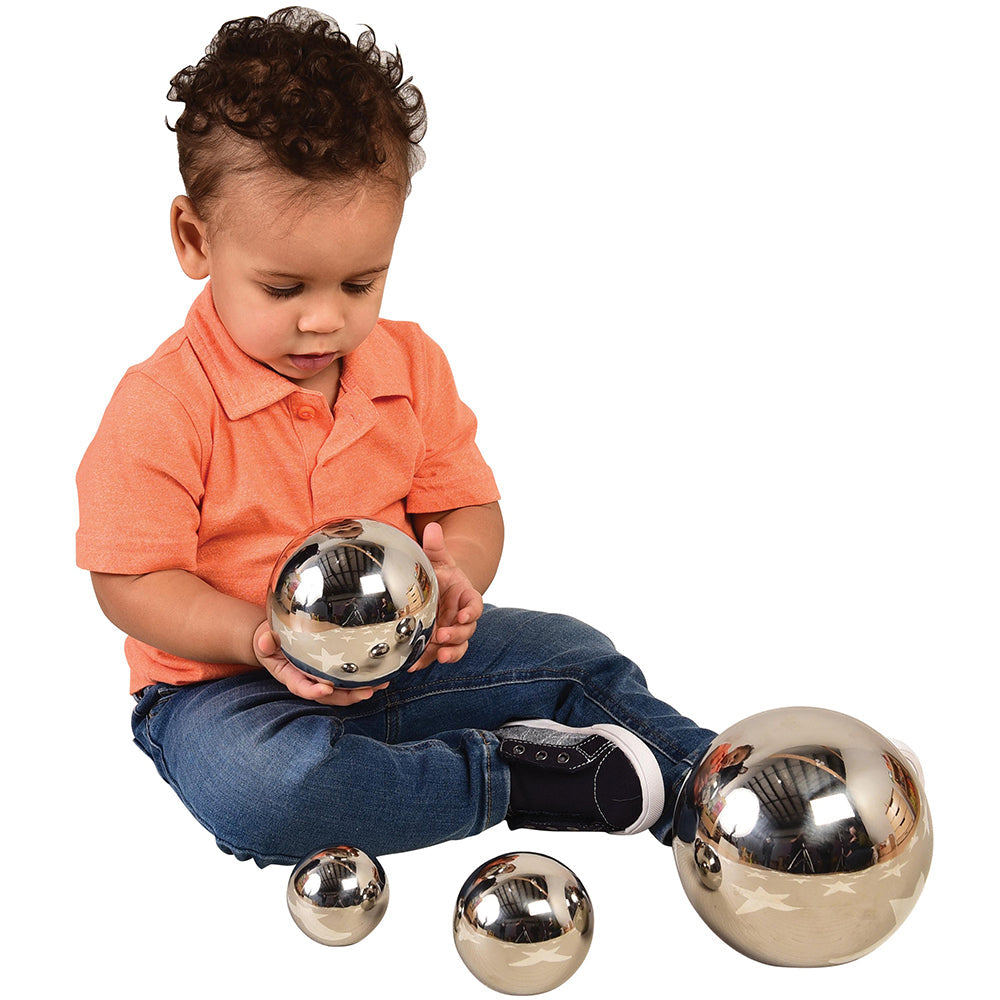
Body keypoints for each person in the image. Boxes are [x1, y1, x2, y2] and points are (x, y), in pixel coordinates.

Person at [76, 6, 717, 866]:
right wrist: (257, 636)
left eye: (359, 283)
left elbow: (467, 508)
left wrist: (458, 581)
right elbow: (132, 581)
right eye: (283, 288)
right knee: (271, 793)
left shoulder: (408, 365)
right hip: (228, 693)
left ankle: (711, 785)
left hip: (401, 658)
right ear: (196, 240)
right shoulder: (161, 403)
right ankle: (514, 778)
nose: (324, 319)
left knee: (576, 654)